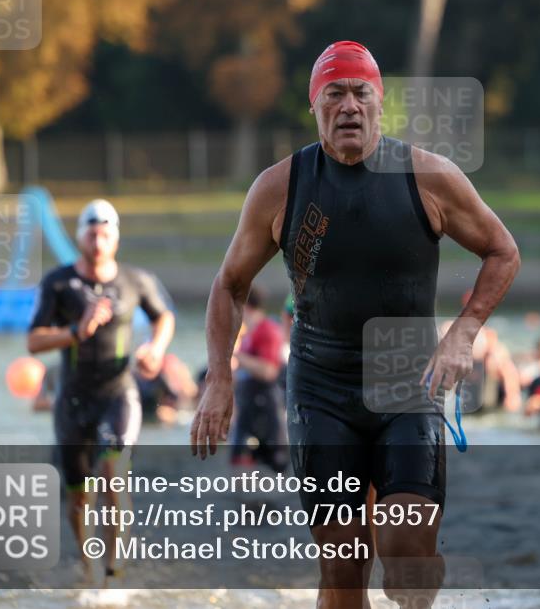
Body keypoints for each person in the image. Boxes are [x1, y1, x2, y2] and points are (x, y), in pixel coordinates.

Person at [191, 40, 520, 609]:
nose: (349, 106)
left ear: (379, 104)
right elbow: (229, 285)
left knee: (405, 558)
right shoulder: (280, 187)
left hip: (406, 381)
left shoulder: (428, 176)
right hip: (321, 388)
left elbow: (503, 251)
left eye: (360, 93)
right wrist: (219, 379)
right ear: (314, 107)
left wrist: (463, 332)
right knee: (343, 574)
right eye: (334, 94)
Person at [27, 199, 175, 584]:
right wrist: (77, 331)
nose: (98, 240)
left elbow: (164, 317)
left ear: (116, 238)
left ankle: (114, 568)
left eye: (105, 233)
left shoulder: (135, 280)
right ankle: (88, 566)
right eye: (91, 233)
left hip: (118, 394)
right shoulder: (58, 283)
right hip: (72, 399)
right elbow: (34, 341)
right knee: (78, 496)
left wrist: (155, 350)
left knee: (114, 472)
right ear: (80, 237)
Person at [229, 285, 288, 473]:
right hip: (247, 410)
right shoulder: (248, 333)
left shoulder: (267, 330)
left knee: (271, 465)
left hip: (265, 409)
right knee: (238, 461)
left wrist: (236, 356)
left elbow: (269, 371)